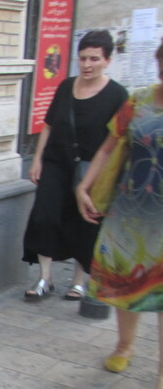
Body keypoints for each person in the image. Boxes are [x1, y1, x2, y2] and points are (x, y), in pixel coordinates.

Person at [76, 39, 163, 389]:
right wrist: (85, 185)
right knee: (125, 281)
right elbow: (110, 146)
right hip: (130, 210)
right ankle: (124, 345)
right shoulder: (139, 100)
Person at [23, 30, 128, 301]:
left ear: (108, 60)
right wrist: (37, 159)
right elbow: (48, 125)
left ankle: (79, 281)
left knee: (85, 222)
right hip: (57, 162)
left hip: (93, 168)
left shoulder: (117, 95)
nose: (87, 65)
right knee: (44, 215)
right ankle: (45, 278)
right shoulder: (66, 86)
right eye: (82, 58)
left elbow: (116, 141)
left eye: (94, 58)